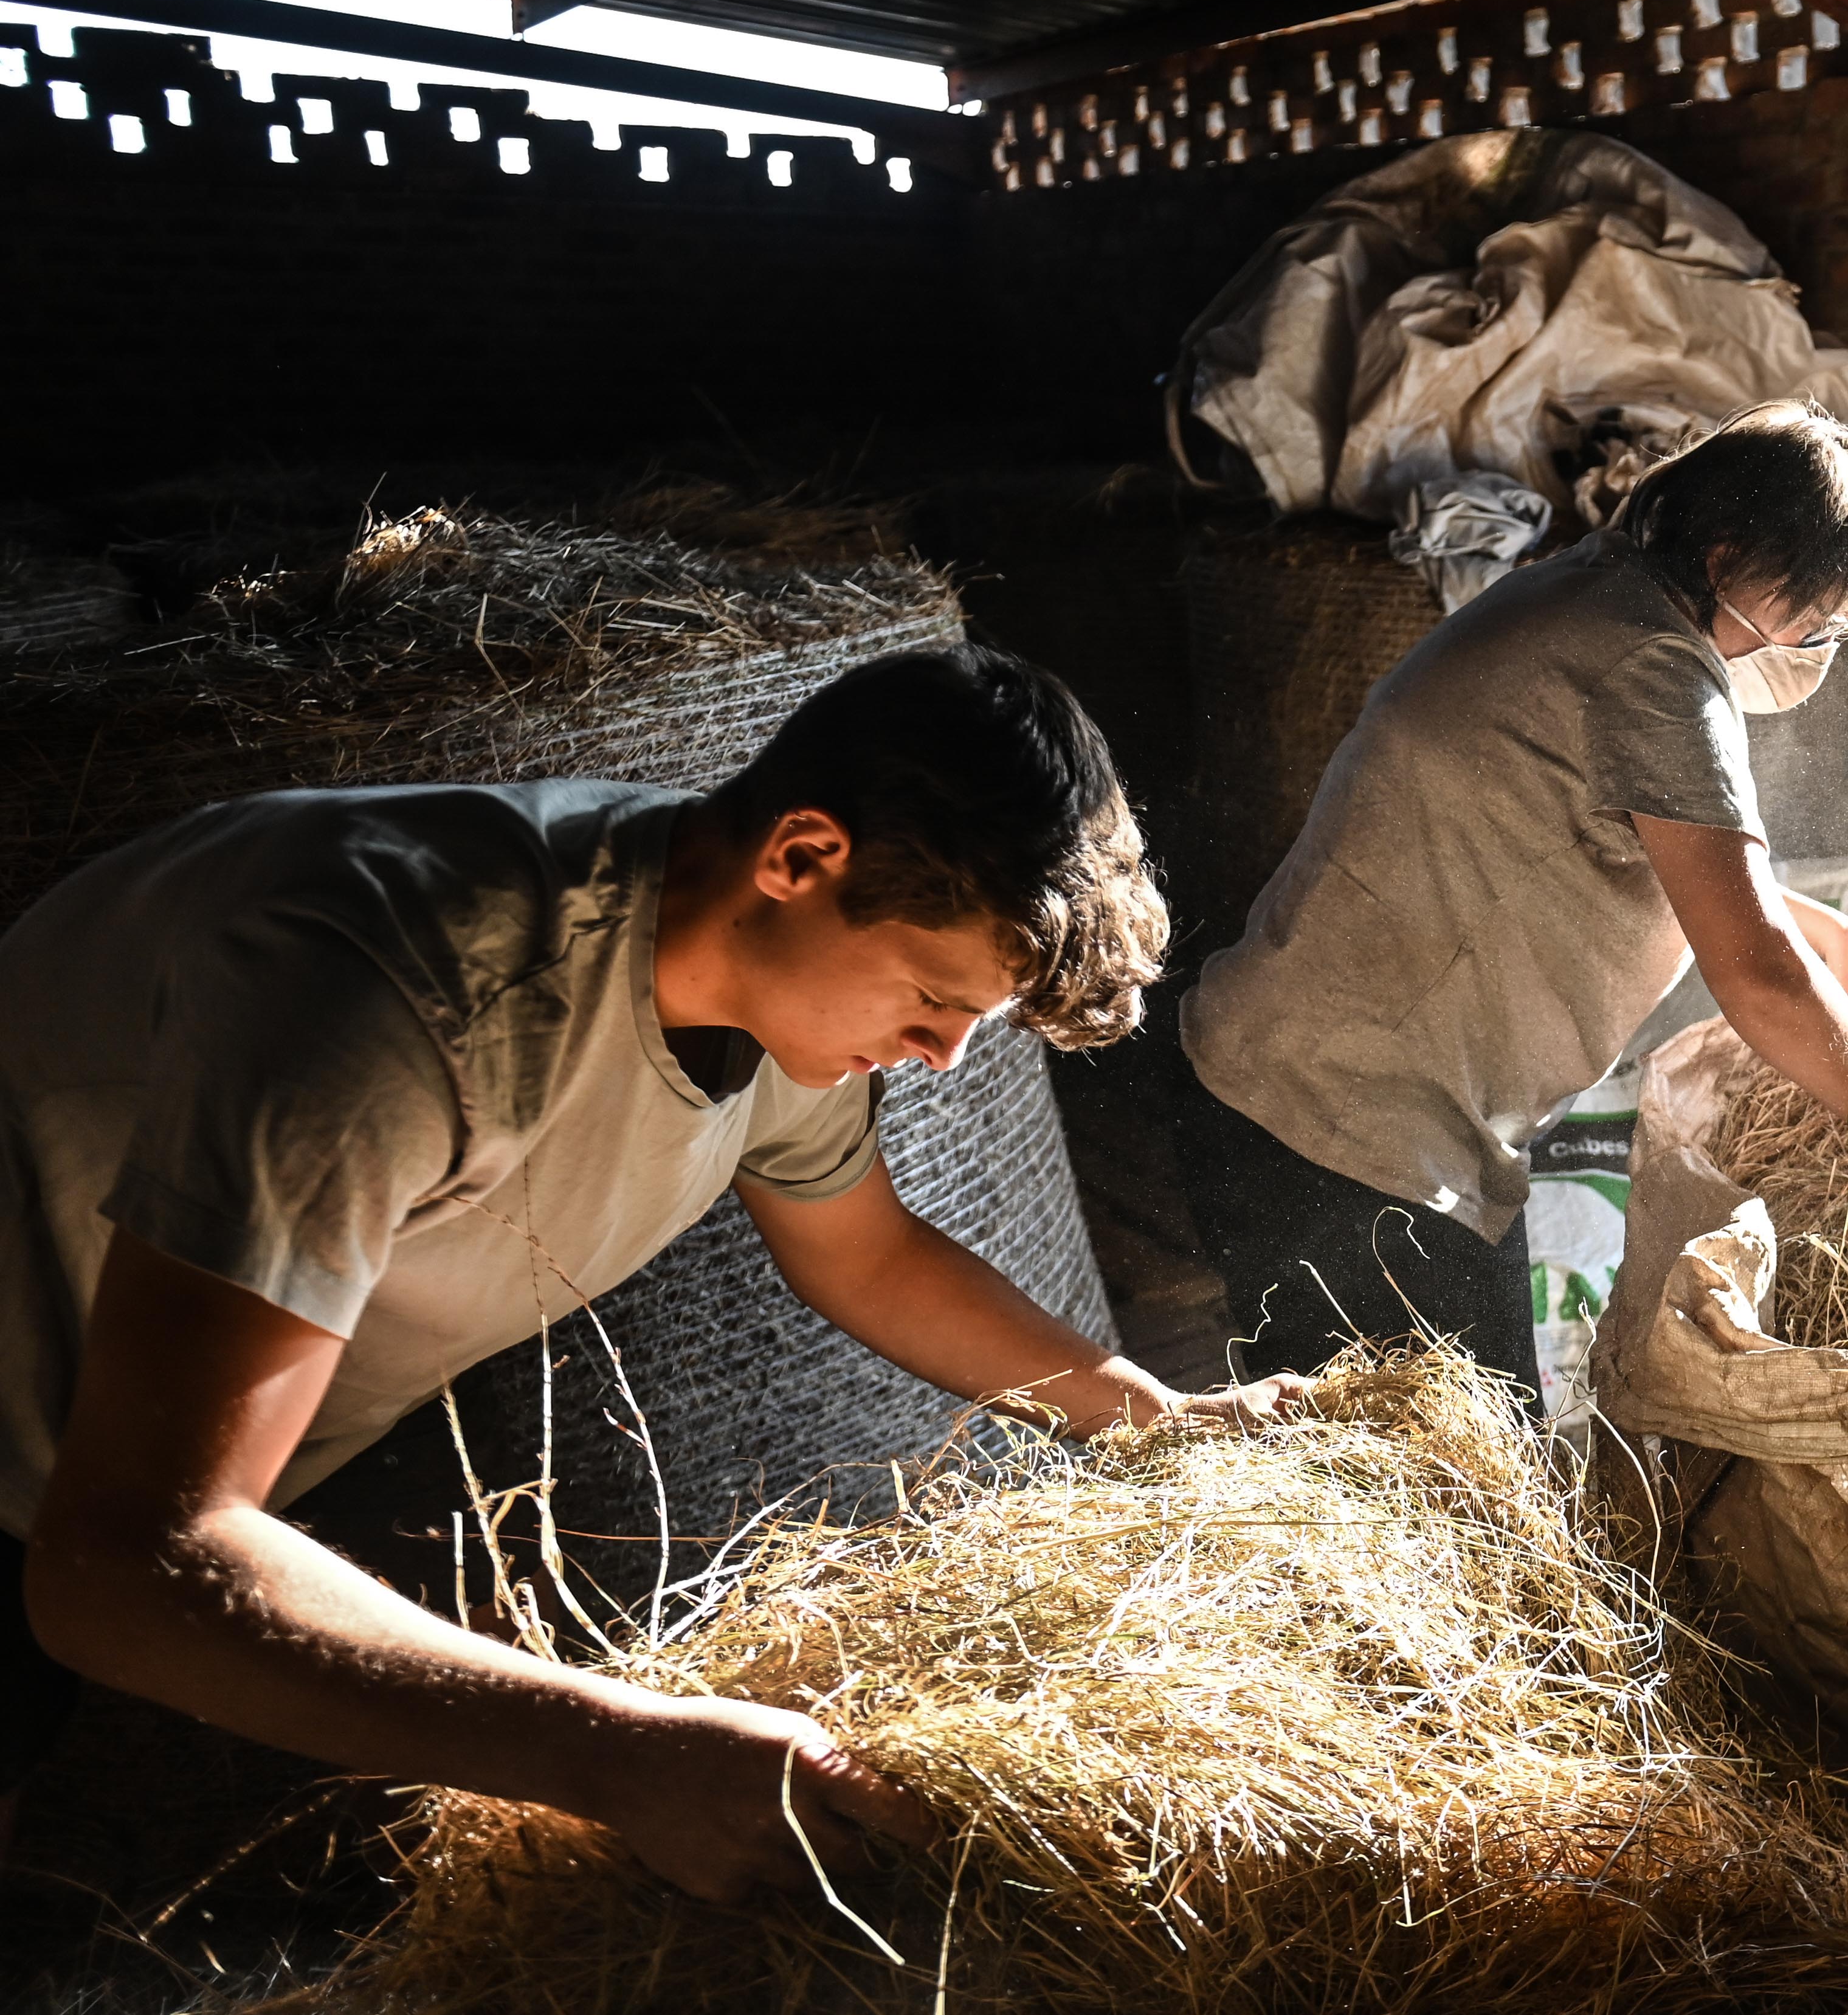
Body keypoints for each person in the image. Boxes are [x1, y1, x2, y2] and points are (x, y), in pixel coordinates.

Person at [1, 644, 1301, 1904]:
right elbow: (129, 1562)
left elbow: (870, 1251)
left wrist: (1149, 1416)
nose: (946, 1055)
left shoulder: (771, 1007)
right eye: (929, 993)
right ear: (800, 857)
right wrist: (621, 1751)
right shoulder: (394, 1004)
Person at [1181, 400, 1848, 1389]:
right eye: (1811, 610)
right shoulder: (1655, 667)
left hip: (1294, 1087)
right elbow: (1756, 976)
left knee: (1410, 1470)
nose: (1813, 639)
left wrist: (1828, 939)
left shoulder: (1590, 590)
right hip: (1354, 1136)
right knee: (1452, 1499)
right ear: (1728, 553)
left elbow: (1642, 850)